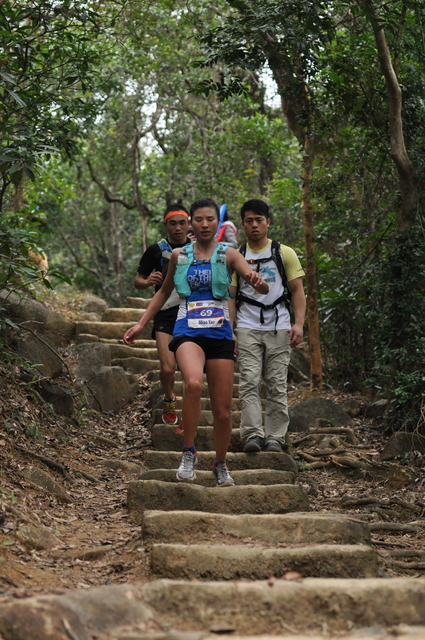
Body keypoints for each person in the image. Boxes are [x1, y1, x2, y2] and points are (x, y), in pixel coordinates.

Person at [124, 197, 268, 486]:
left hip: (219, 333)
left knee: (223, 412)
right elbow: (163, 292)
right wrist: (141, 323)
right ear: (191, 223)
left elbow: (254, 281)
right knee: (192, 383)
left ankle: (220, 463)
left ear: (217, 222)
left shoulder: (229, 254)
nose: (204, 224)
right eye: (199, 219)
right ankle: (188, 452)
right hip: (187, 330)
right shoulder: (180, 255)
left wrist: (258, 283)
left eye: (210, 219)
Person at [228, 199, 306, 453]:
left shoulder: (284, 253)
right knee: (249, 381)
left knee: (276, 383)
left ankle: (275, 437)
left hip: (278, 326)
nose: (254, 225)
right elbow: (231, 296)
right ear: (242, 224)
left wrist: (298, 324)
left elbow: (297, 290)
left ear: (268, 222)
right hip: (247, 326)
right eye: (249, 220)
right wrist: (230, 330)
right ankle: (253, 434)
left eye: (259, 220)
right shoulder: (236, 256)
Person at [134, 204, 191, 425]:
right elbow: (138, 281)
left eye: (182, 223)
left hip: (191, 312)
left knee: (189, 371)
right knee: (168, 368)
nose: (178, 228)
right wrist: (148, 281)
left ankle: (190, 411)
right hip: (165, 311)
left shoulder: (198, 248)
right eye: (173, 223)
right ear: (166, 225)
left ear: (189, 224)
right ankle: (169, 397)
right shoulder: (156, 250)